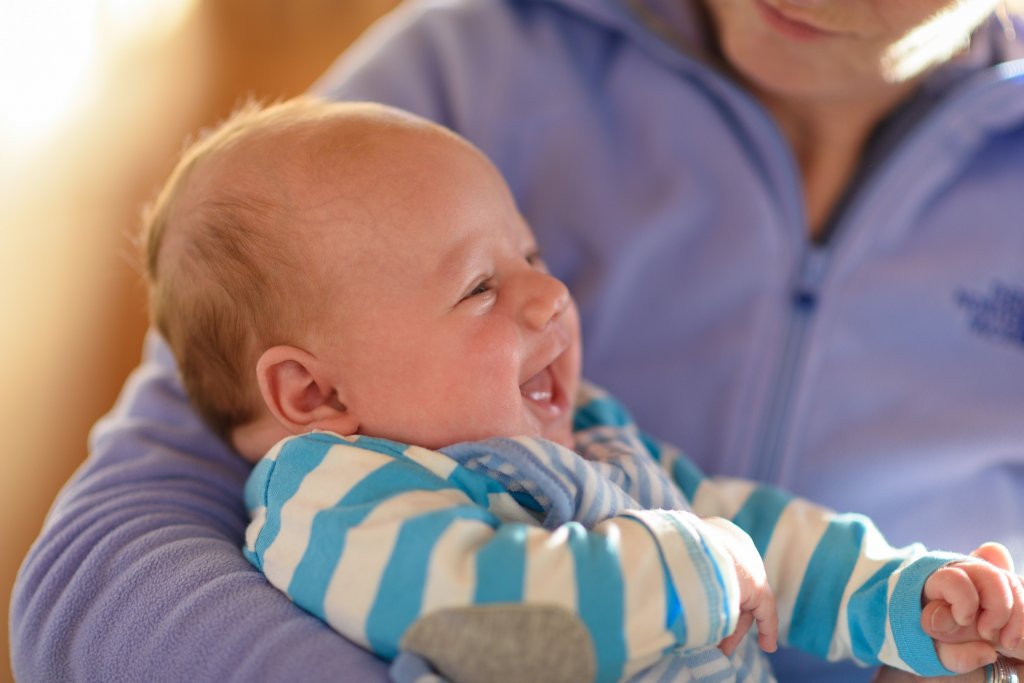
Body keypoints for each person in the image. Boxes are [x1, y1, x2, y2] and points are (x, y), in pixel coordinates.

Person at [10, 1, 1024, 682]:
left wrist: (904, 594)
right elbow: (480, 613)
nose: (552, 298)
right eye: (483, 285)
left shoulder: (593, 444)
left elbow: (750, 528)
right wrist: (695, 570)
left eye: (534, 253)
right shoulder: (334, 491)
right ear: (313, 394)